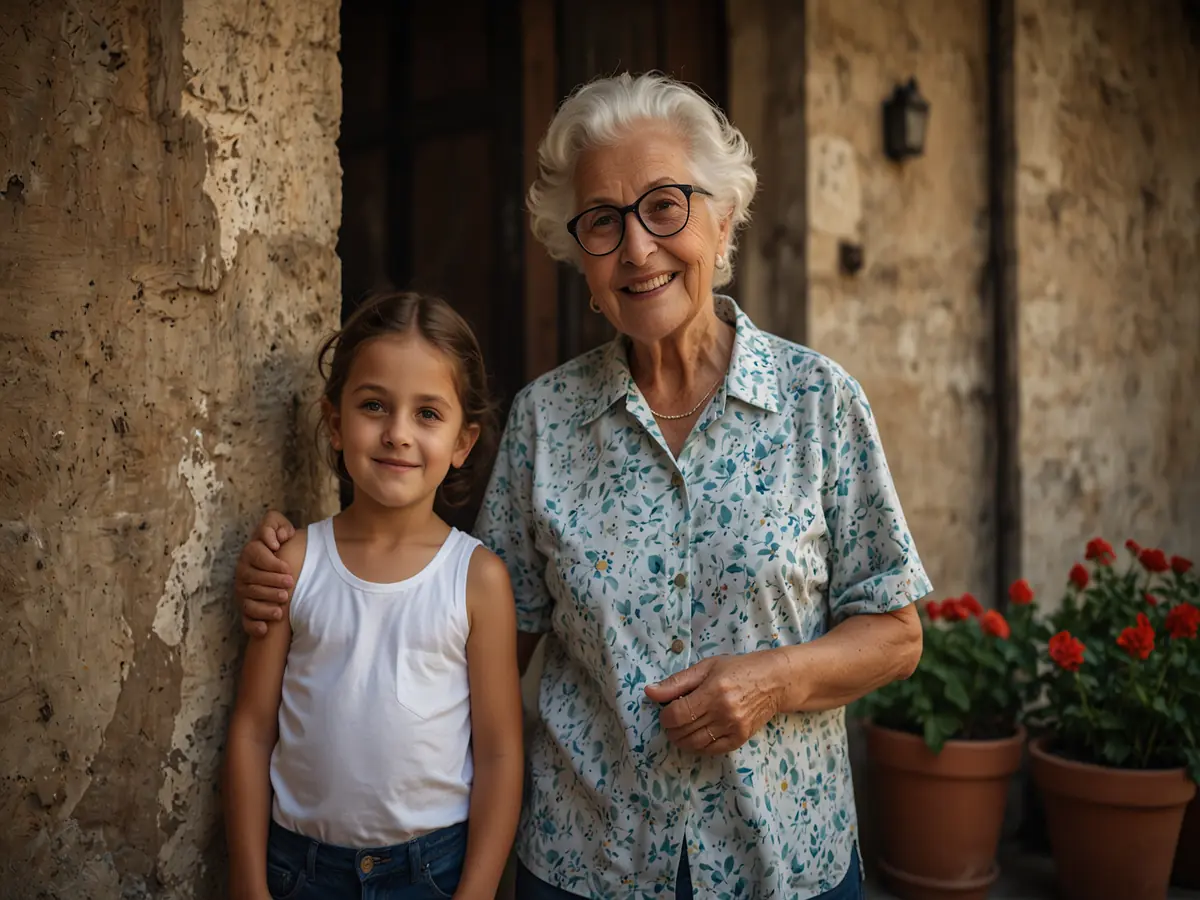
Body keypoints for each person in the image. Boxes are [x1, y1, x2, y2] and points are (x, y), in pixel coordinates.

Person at [234, 73, 930, 899]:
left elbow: (896, 631)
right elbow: (450, 617)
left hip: (780, 862)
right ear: (580, 258)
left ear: (723, 219)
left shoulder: (821, 403)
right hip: (584, 863)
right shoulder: (545, 423)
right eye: (603, 222)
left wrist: (774, 680)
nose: (637, 249)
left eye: (665, 206)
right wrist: (300, 561)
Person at [222, 292, 523, 900]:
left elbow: (498, 754)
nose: (397, 434)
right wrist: (248, 884)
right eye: (374, 406)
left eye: (428, 414)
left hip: (430, 873)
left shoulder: (478, 579)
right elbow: (253, 731)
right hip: (298, 870)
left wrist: (479, 890)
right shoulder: (296, 562)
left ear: (464, 442)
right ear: (335, 422)